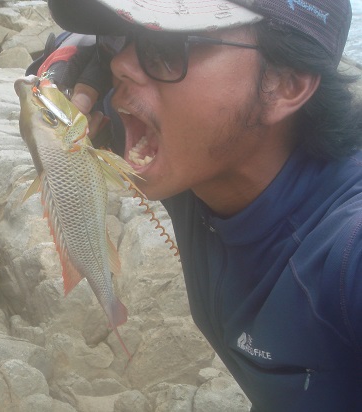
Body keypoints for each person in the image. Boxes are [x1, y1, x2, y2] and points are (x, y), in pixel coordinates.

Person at [30, 0, 362, 410]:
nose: (122, 66)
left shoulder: (346, 250)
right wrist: (76, 50)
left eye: (166, 46)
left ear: (285, 84)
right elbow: (57, 122)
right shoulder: (192, 163)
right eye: (124, 41)